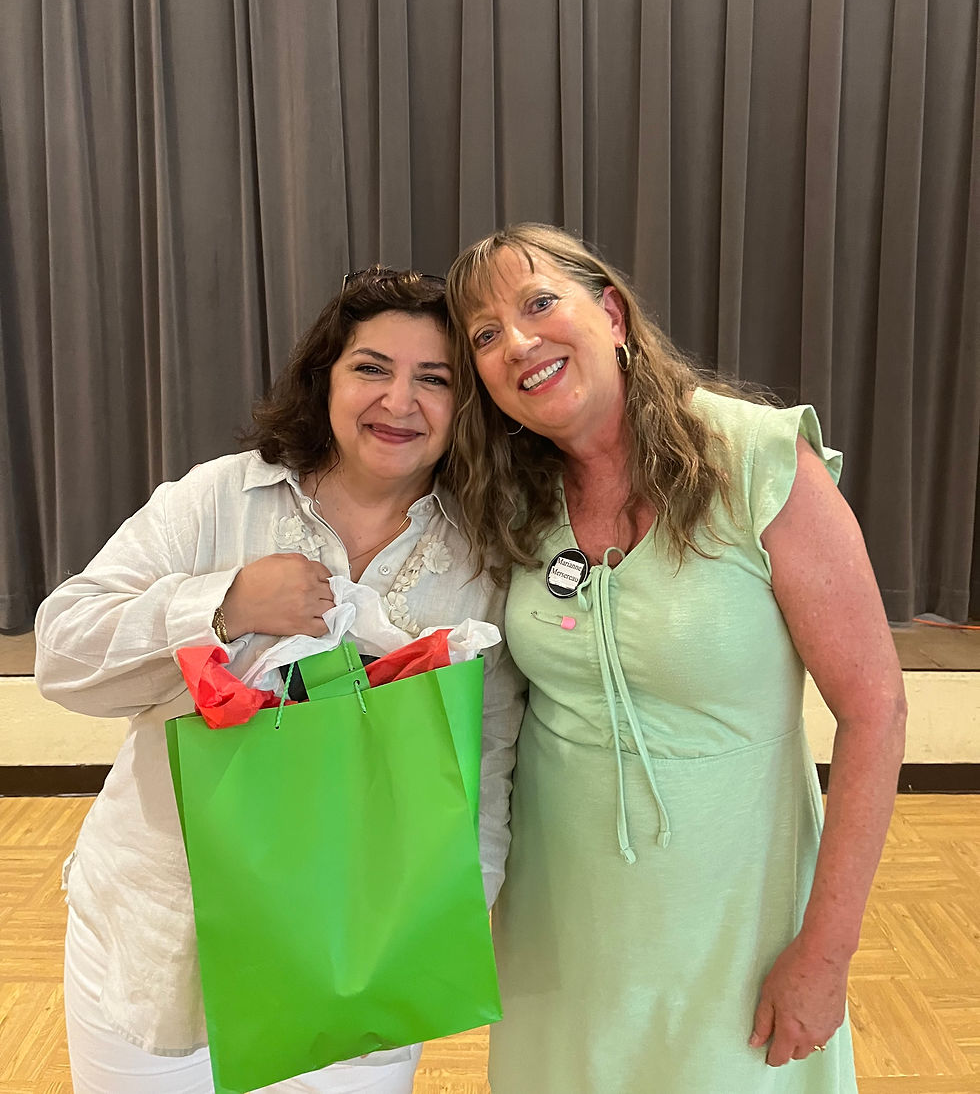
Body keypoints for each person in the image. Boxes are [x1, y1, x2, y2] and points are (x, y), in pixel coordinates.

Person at [34, 267, 525, 1094]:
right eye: (371, 367)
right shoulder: (218, 499)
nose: (399, 401)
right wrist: (221, 604)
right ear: (324, 377)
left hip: (355, 963)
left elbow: (490, 770)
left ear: (466, 405)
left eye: (434, 378)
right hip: (164, 953)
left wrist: (433, 926)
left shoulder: (484, 560)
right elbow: (62, 652)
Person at [443, 225, 907, 1094]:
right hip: (561, 928)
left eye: (539, 303)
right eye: (485, 335)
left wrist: (827, 949)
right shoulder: (509, 500)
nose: (518, 343)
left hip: (736, 924)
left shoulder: (758, 460)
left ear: (611, 311)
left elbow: (876, 707)